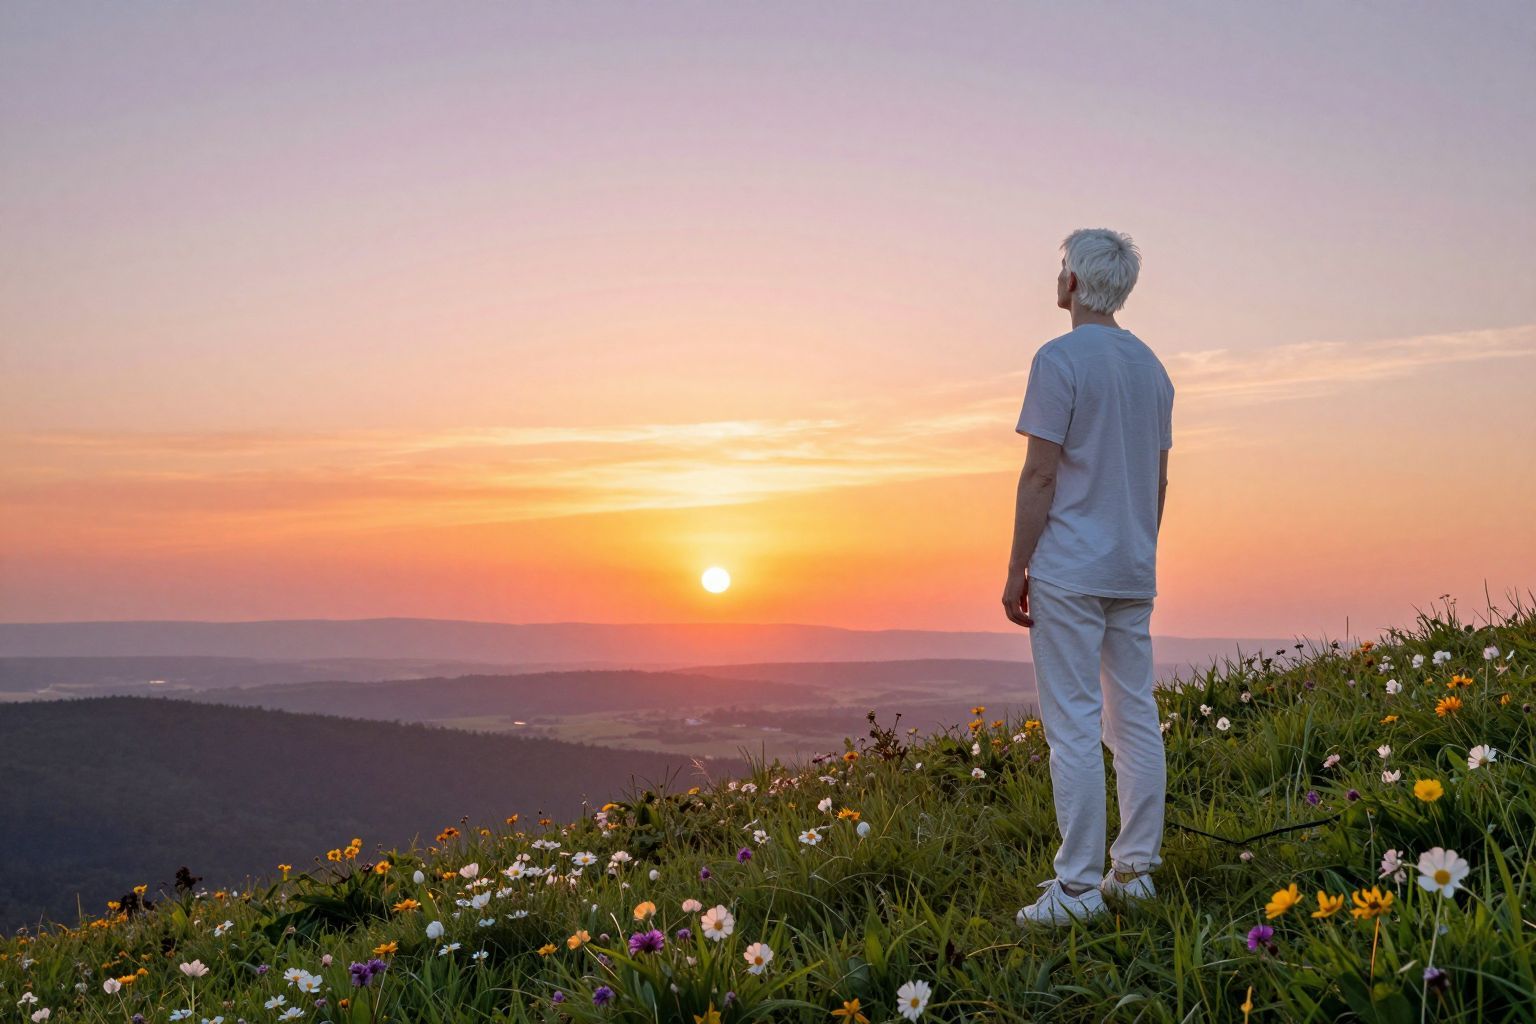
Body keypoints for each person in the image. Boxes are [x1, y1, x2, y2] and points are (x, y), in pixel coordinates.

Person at [1003, 227, 1174, 927]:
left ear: (1073, 282)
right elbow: (1158, 479)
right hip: (1132, 565)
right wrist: (1137, 549)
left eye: (1061, 267)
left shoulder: (1059, 360)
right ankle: (1134, 874)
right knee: (1134, 717)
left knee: (1073, 723)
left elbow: (1041, 473)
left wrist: (1019, 565)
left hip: (1070, 567)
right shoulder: (1152, 369)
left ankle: (1074, 891)